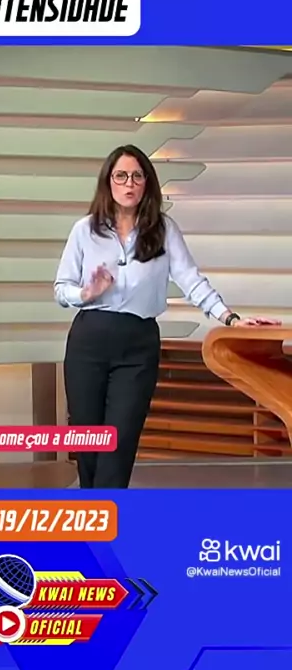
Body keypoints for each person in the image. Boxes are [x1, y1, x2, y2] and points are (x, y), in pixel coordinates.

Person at [54, 144, 281, 489]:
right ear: (108, 182)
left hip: (138, 345)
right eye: (121, 176)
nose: (129, 184)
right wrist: (86, 294)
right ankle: (95, 514)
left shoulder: (163, 229)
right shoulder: (85, 230)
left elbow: (192, 280)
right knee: (89, 443)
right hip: (89, 341)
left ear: (147, 183)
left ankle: (106, 510)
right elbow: (61, 289)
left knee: (119, 442)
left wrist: (231, 319)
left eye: (137, 176)